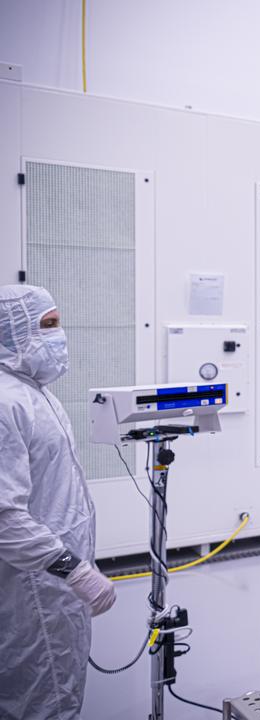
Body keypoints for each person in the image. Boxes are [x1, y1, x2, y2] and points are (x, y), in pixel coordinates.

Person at [0, 284, 116, 719]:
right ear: (11, 331)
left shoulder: (33, 391)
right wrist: (75, 572)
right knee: (38, 701)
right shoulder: (5, 401)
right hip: (32, 586)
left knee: (59, 692)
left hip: (55, 583)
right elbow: (4, 516)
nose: (58, 336)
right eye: (47, 326)